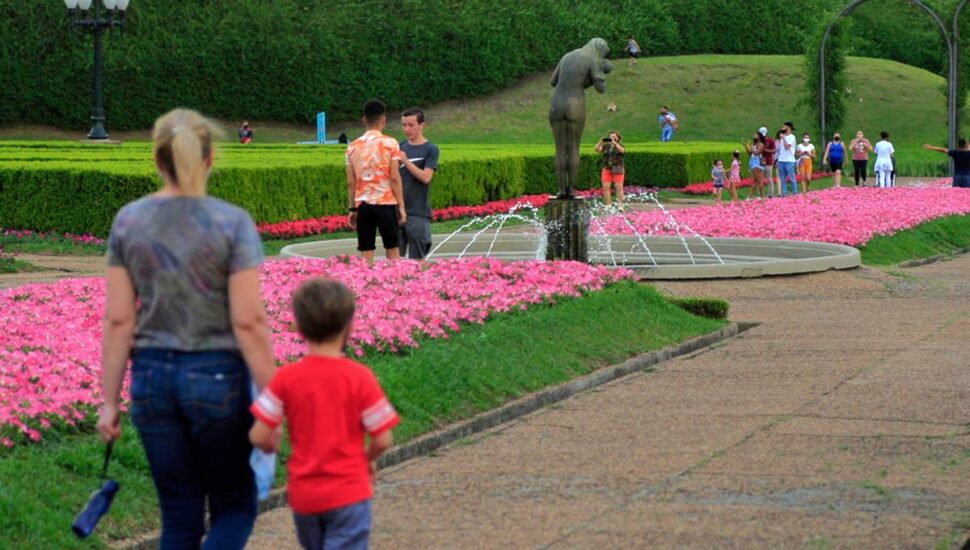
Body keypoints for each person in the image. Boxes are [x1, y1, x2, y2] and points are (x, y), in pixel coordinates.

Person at [96, 109, 276, 550]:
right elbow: (249, 321)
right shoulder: (231, 222)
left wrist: (107, 401)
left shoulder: (129, 221)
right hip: (218, 375)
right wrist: (274, 398)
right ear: (210, 159)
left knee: (179, 517)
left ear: (157, 161)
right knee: (234, 506)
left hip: (152, 380)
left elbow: (120, 320)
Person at [249, 278, 398, 550]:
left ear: (299, 328)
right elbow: (383, 439)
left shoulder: (285, 378)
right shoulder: (359, 377)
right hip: (349, 491)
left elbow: (259, 434)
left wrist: (272, 445)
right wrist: (365, 460)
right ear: (350, 326)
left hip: (305, 496)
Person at [346, 99, 406, 262]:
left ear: (364, 119)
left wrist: (352, 208)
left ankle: (366, 286)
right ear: (383, 120)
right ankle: (395, 284)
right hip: (386, 204)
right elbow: (394, 177)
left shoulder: (352, 147)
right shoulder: (390, 143)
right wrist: (401, 205)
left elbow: (351, 182)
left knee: (366, 252)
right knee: (393, 250)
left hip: (364, 206)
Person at [398, 108, 439, 260]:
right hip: (397, 210)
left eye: (411, 125)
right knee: (395, 260)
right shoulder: (399, 146)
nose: (407, 129)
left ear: (421, 125)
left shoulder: (430, 149)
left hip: (417, 211)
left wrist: (405, 161)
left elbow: (426, 177)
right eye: (404, 125)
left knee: (418, 259)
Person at [594, 130, 625, 207]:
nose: (612, 138)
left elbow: (622, 151)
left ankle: (620, 205)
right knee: (606, 187)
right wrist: (600, 142)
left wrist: (615, 144)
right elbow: (596, 150)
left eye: (614, 137)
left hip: (617, 167)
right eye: (610, 137)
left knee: (619, 188)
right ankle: (608, 205)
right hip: (607, 167)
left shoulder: (620, 145)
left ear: (618, 138)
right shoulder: (606, 146)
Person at [776, 122, 798, 196]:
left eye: (784, 127)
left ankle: (795, 192)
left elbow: (787, 147)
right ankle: (784, 194)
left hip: (789, 160)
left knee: (791, 177)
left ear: (788, 128)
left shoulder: (792, 137)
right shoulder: (783, 136)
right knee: (782, 179)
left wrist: (784, 138)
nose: (783, 128)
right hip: (781, 160)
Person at [744, 134, 765, 198]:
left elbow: (757, 153)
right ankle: (752, 196)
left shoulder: (761, 144)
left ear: (759, 137)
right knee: (754, 181)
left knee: (759, 180)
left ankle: (761, 196)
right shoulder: (754, 145)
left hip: (757, 163)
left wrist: (750, 149)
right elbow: (750, 153)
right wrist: (746, 146)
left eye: (756, 135)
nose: (754, 136)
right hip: (753, 163)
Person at [760, 127, 776, 198]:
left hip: (768, 161)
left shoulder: (770, 140)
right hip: (761, 161)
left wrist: (765, 150)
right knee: (761, 178)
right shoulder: (760, 141)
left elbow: (774, 150)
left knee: (769, 178)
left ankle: (770, 194)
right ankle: (761, 194)